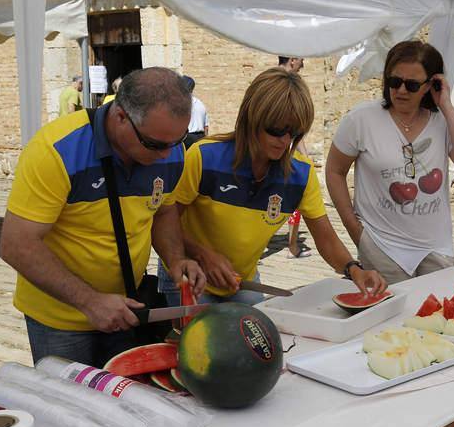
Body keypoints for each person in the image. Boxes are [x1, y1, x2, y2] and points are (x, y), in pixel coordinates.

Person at [0, 67, 206, 367]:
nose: (166, 155)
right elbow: (16, 245)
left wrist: (176, 261)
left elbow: (163, 212)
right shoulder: (55, 151)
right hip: (61, 321)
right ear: (121, 116)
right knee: (70, 409)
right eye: (154, 144)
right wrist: (89, 301)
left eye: (177, 141)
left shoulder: (171, 152)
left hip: (127, 310)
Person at [158, 67, 386, 306]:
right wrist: (203, 255)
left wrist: (354, 270)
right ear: (251, 118)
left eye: (295, 132)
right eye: (276, 130)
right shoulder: (204, 157)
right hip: (188, 276)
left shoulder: (301, 174)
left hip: (241, 280)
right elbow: (166, 221)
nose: (286, 141)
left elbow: (326, 239)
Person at [326, 40, 454, 284]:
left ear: (431, 85)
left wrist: (446, 105)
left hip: (435, 248)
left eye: (411, 85)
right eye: (394, 82)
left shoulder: (442, 120)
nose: (400, 91)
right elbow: (335, 170)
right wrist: (355, 229)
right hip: (381, 246)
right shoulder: (362, 119)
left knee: (436, 315)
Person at [278, 55, 312, 258]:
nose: (303, 63)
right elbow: (295, 129)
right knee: (295, 199)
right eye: (300, 59)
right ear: (292, 59)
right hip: (283, 156)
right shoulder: (288, 86)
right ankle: (292, 247)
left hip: (268, 152)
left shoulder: (267, 80)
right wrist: (306, 159)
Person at [182, 75, 210, 148]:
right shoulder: (200, 104)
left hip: (186, 138)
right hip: (200, 138)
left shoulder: (181, 103)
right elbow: (206, 127)